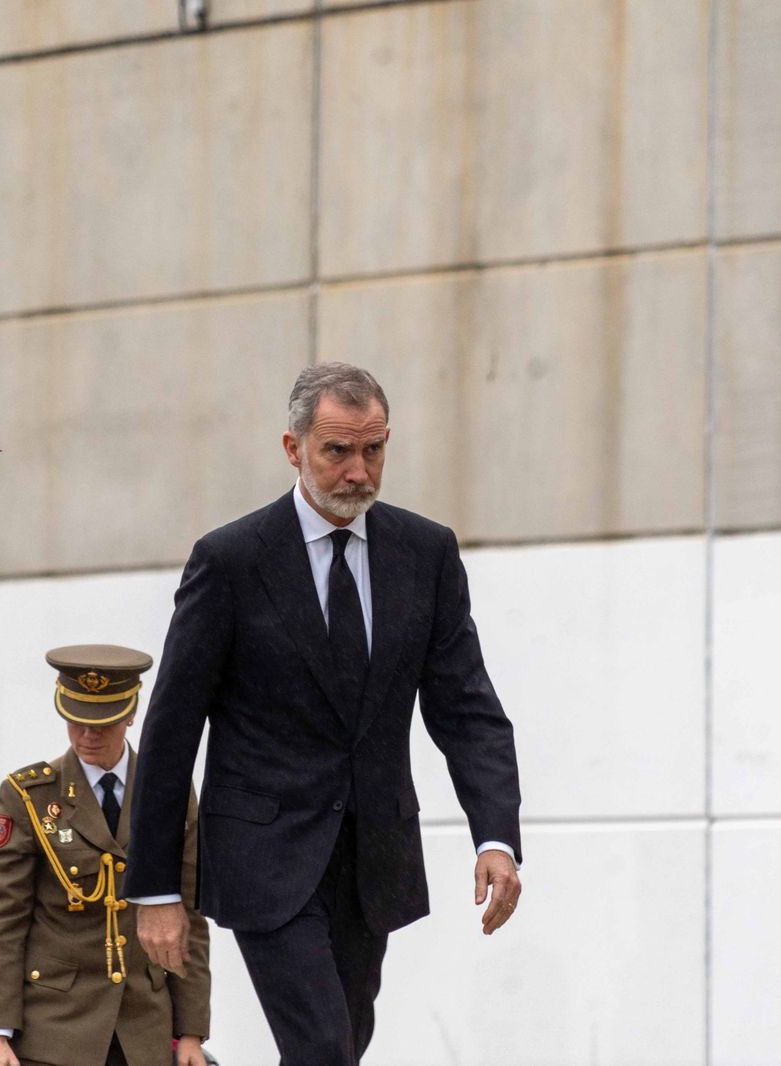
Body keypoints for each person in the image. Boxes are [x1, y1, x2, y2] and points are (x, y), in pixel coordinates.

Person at [125, 363, 524, 1065]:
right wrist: (156, 888)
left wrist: (496, 837)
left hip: (373, 856)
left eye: (373, 449)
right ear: (294, 448)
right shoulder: (230, 561)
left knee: (343, 1044)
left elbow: (467, 707)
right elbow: (171, 728)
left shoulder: (426, 553)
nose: (358, 472)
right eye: (337, 450)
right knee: (321, 1047)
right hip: (264, 855)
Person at [0, 644, 210, 1066]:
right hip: (55, 1032)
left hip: (143, 1032)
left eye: (102, 723)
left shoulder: (168, 791)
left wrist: (190, 1032)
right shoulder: (28, 796)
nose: (87, 735)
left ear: (130, 713)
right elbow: (3, 921)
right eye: (77, 721)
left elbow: (188, 917)